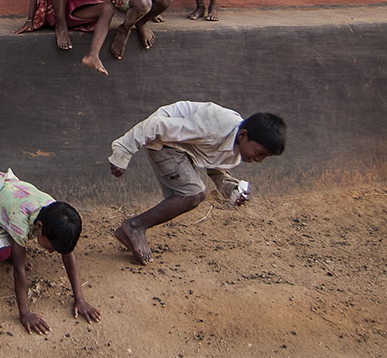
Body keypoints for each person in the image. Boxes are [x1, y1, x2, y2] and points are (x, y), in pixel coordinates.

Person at [108, 101, 286, 265]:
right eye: (260, 153)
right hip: (164, 141)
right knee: (193, 194)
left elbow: (213, 165)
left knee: (191, 193)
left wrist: (231, 188)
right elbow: (154, 126)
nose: (260, 160)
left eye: (265, 157)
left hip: (182, 147)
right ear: (243, 134)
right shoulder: (213, 127)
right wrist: (123, 151)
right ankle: (134, 226)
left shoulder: (236, 144)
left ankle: (133, 228)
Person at [0, 169, 100, 334]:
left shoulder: (56, 212)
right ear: (39, 227)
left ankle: (8, 245)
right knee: (0, 252)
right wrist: (25, 314)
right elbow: (19, 270)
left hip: (6, 197)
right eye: (50, 247)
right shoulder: (21, 222)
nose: (50, 252)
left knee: (17, 246)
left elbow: (68, 255)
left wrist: (80, 299)